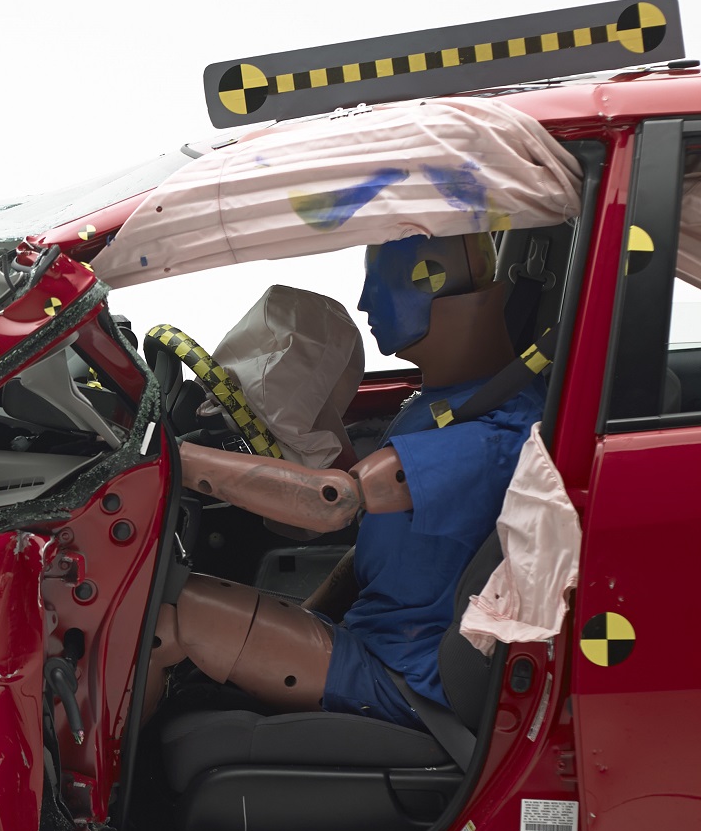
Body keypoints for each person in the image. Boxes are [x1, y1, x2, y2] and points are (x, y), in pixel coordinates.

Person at [152, 231, 544, 728]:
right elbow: (369, 551)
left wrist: (168, 457)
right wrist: (307, 618)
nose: (362, 302)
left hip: (403, 679)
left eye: (379, 283)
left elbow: (334, 502)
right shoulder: (450, 403)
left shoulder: (493, 435)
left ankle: (92, 800)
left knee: (163, 619)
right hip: (373, 640)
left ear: (435, 290)